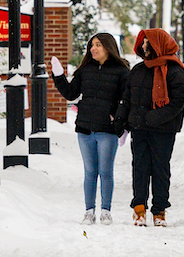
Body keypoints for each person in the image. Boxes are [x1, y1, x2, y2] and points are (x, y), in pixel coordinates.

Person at [50, 32, 130, 225]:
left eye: (98, 45)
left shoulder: (121, 71)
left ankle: (106, 211)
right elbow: (71, 94)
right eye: (92, 45)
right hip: (85, 127)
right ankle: (89, 211)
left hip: (107, 130)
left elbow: (126, 101)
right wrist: (59, 76)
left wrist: (120, 125)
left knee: (106, 171)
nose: (93, 49)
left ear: (108, 47)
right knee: (90, 172)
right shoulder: (85, 69)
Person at [114, 28, 184, 227]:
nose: (144, 46)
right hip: (139, 128)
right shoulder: (138, 70)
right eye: (143, 43)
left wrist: (154, 117)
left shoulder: (174, 70)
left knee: (160, 169)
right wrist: (121, 119)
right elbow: (127, 98)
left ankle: (159, 211)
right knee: (140, 167)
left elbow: (178, 101)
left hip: (163, 129)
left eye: (148, 43)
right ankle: (139, 209)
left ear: (159, 44)